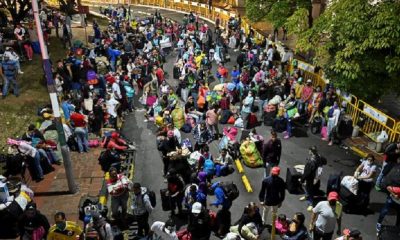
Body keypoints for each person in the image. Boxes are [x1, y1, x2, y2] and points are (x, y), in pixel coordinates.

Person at [300, 146, 324, 211]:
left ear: (311, 151)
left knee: (309, 189)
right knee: (308, 188)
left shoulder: (312, 161)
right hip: (314, 176)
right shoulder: (318, 157)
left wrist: (302, 179)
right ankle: (307, 196)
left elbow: (307, 172)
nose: (308, 151)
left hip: (311, 177)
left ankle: (311, 203)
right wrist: (318, 177)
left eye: (309, 150)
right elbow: (320, 168)